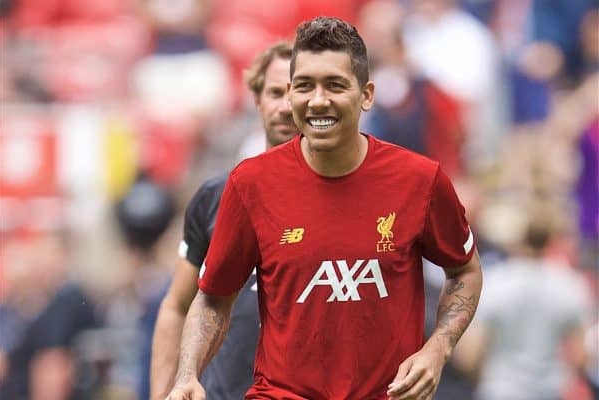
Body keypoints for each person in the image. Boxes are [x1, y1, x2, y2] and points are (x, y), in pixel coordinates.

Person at [166, 17, 483, 400]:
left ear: (366, 95)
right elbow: (214, 296)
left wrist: (438, 348)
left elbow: (464, 269)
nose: (318, 100)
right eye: (304, 86)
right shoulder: (250, 184)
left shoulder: (420, 180)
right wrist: (187, 375)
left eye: (334, 85)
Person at [150, 42, 298, 400]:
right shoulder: (216, 198)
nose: (285, 106)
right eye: (275, 92)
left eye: (297, 92)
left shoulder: (346, 200)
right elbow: (177, 306)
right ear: (257, 99)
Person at [453, 214, 592, 400]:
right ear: (551, 240)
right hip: (550, 391)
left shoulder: (495, 282)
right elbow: (581, 358)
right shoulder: (570, 285)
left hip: (500, 390)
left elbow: (468, 356)